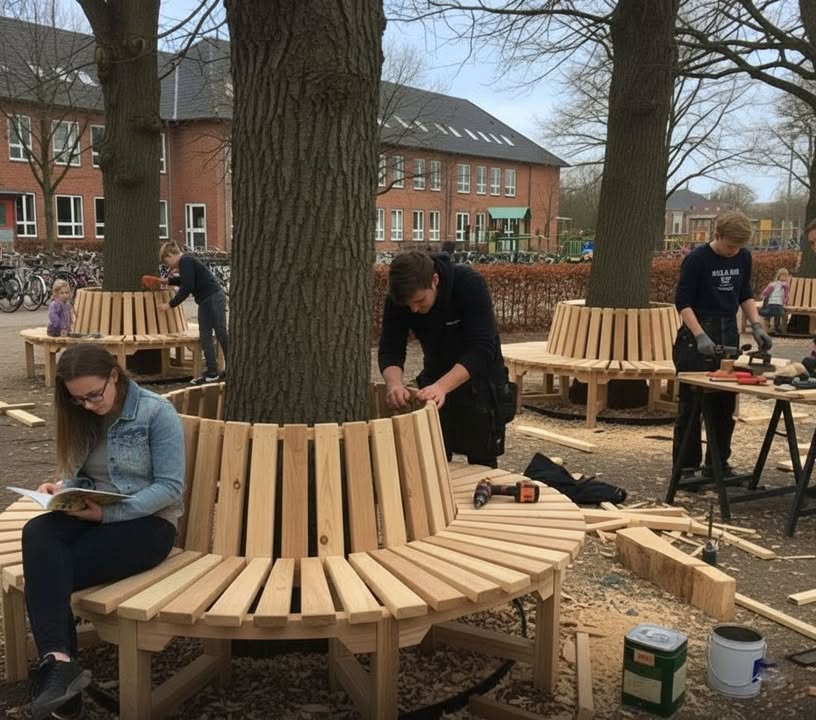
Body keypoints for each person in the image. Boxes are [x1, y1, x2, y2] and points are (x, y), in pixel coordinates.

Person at [22, 344, 184, 720]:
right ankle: (60, 664)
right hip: (91, 510)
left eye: (95, 395)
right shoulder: (82, 415)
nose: (90, 405)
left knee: (47, 570)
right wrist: (62, 488)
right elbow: (89, 474)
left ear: (115, 375)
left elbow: (170, 488)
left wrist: (109, 516)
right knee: (38, 535)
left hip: (148, 524)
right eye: (79, 400)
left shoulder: (156, 413)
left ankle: (58, 678)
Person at [378, 250, 514, 468]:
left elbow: (482, 349)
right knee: (433, 461)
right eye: (408, 305)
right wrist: (394, 385)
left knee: (482, 467)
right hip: (434, 374)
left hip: (481, 383)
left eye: (420, 301)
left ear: (435, 280)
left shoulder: (469, 284)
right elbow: (390, 347)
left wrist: (442, 386)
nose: (414, 309)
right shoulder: (399, 298)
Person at [672, 210, 773, 479]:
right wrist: (699, 335)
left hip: (728, 331)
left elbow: (744, 294)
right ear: (717, 236)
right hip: (697, 334)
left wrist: (756, 325)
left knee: (724, 404)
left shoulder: (743, 256)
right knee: (691, 406)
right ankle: (686, 467)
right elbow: (683, 302)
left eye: (739, 247)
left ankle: (716, 464)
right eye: (730, 246)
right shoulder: (697, 260)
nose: (734, 251)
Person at [157, 241, 228, 385]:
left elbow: (187, 286)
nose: (169, 266)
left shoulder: (186, 261)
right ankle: (212, 372)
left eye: (167, 261)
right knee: (205, 336)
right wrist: (168, 281)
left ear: (171, 255)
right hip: (204, 301)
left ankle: (234, 366)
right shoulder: (186, 263)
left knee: (220, 332)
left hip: (214, 297)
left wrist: (170, 305)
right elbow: (186, 280)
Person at [759, 267, 790, 334]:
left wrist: (763, 295)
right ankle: (775, 327)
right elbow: (786, 295)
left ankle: (770, 326)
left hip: (775, 303)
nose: (784, 277)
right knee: (777, 314)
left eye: (785, 276)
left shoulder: (774, 284)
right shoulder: (783, 285)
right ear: (779, 276)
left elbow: (766, 291)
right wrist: (785, 302)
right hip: (776, 303)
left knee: (773, 314)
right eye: (783, 276)